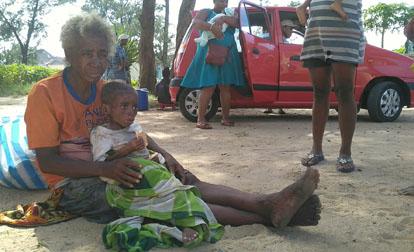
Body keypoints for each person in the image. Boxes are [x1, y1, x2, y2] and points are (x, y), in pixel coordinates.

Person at [24, 13, 321, 236]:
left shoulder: (105, 90)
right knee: (161, 197)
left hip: (116, 168)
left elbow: (132, 130)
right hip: (74, 185)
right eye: (87, 53)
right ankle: (268, 216)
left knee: (184, 180)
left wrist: (167, 155)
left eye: (102, 53)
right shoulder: (45, 94)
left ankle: (263, 201)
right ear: (70, 54)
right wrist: (104, 168)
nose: (96, 61)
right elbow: (48, 162)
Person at [90, 81, 223, 248]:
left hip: (151, 174)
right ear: (107, 109)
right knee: (171, 194)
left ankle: (184, 221)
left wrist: (161, 155)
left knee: (178, 191)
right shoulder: (101, 134)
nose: (131, 112)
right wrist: (127, 149)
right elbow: (103, 165)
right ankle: (184, 224)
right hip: (127, 182)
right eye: (124, 106)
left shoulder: (134, 128)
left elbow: (146, 146)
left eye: (134, 107)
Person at [299, 0, 365, 172]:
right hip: (316, 29)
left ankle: (345, 152)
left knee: (345, 91)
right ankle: (317, 149)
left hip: (344, 30)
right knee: (319, 92)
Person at [181, 0, 246, 129]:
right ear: (214, 1)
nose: (225, 3)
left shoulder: (231, 13)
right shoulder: (206, 12)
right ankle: (200, 119)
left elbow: (238, 23)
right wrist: (211, 27)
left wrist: (223, 18)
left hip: (227, 54)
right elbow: (196, 23)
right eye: (222, 0)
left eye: (226, 1)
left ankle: (226, 118)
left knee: (225, 87)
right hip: (210, 53)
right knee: (208, 86)